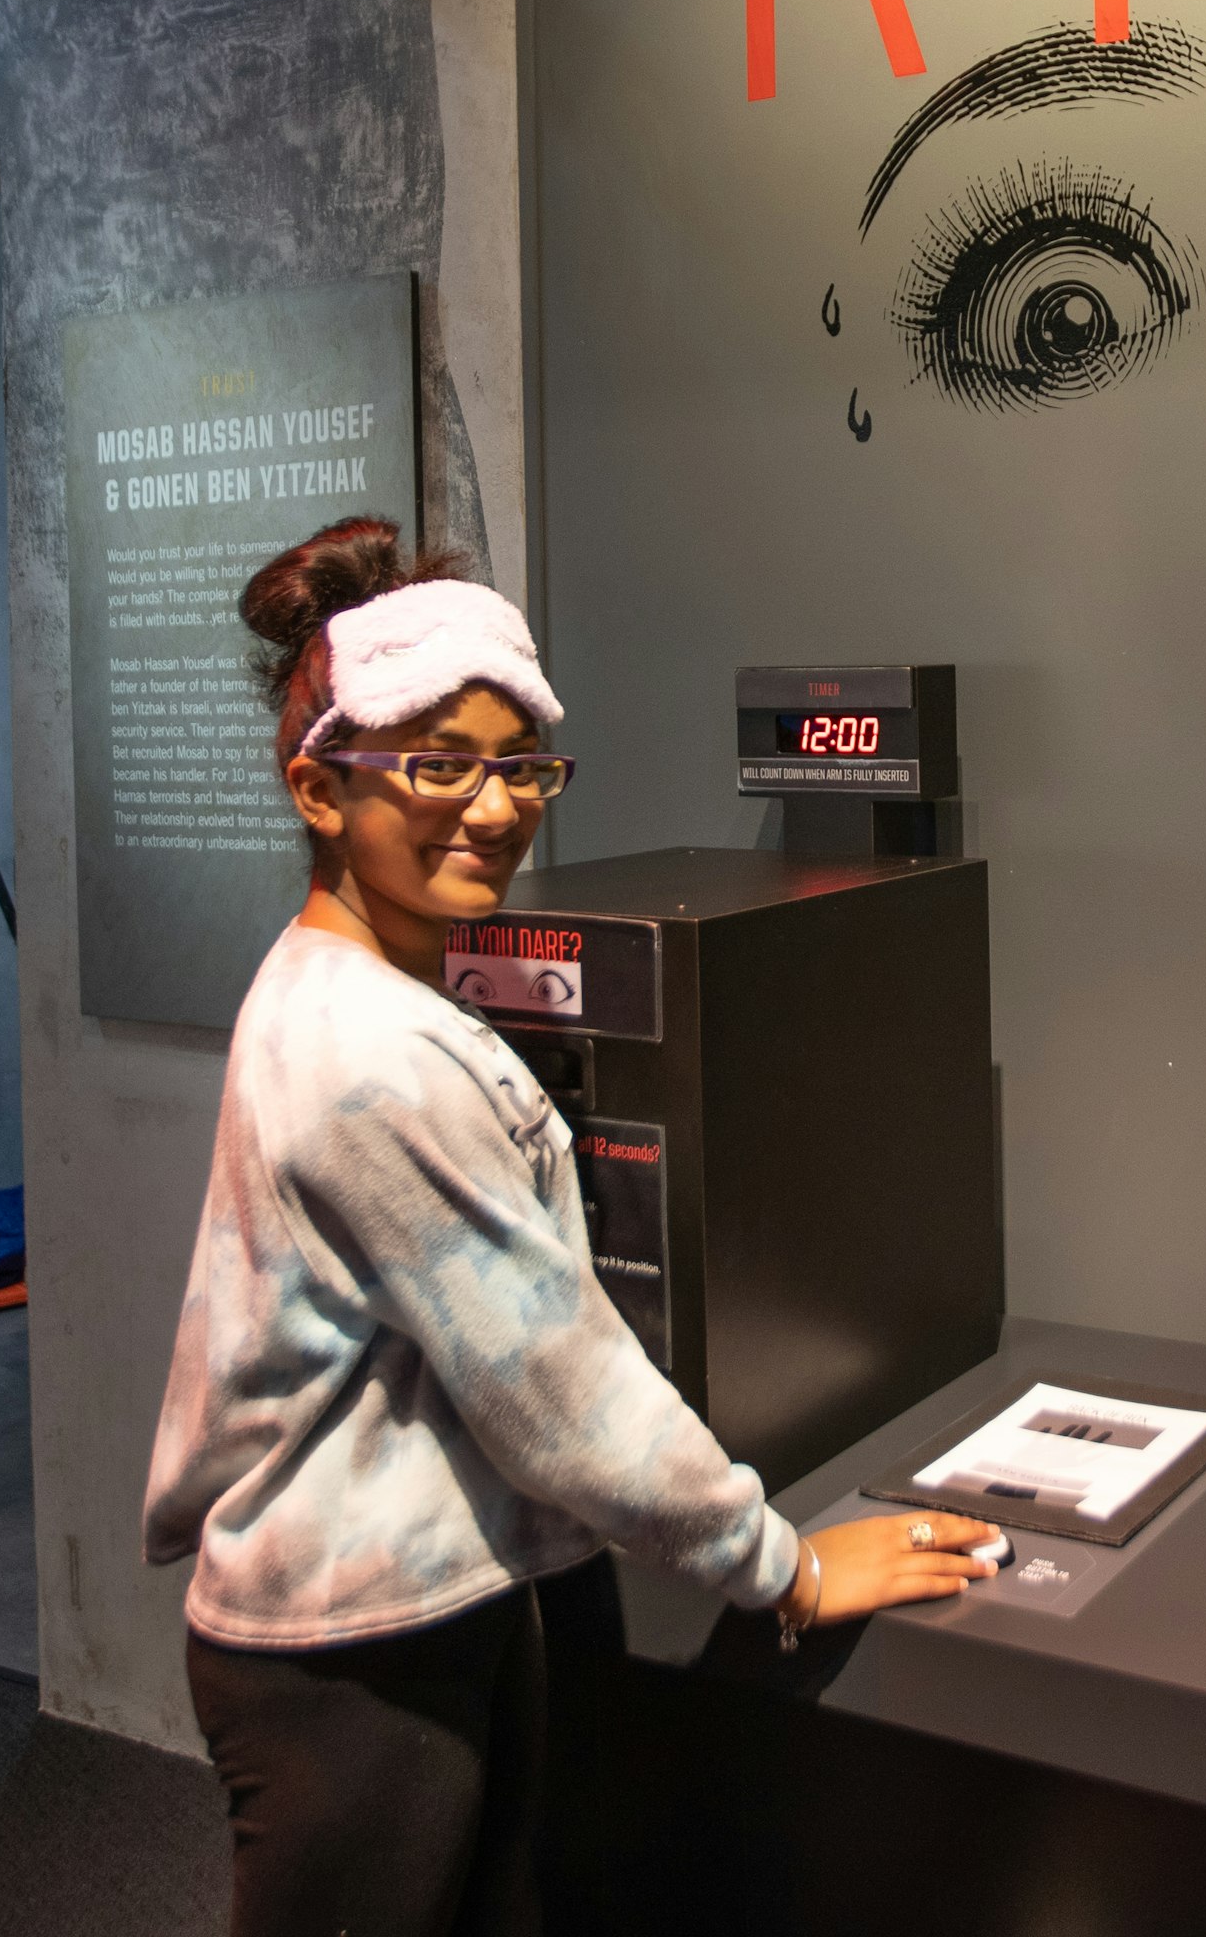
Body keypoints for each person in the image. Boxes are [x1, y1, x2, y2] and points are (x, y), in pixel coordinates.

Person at [143, 518, 995, 1936]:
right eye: (439, 764)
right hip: (359, 1655)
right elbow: (556, 1387)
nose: (494, 809)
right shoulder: (377, 1057)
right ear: (319, 789)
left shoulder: (330, 990)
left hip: (398, 1620)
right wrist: (781, 1569)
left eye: (520, 764)